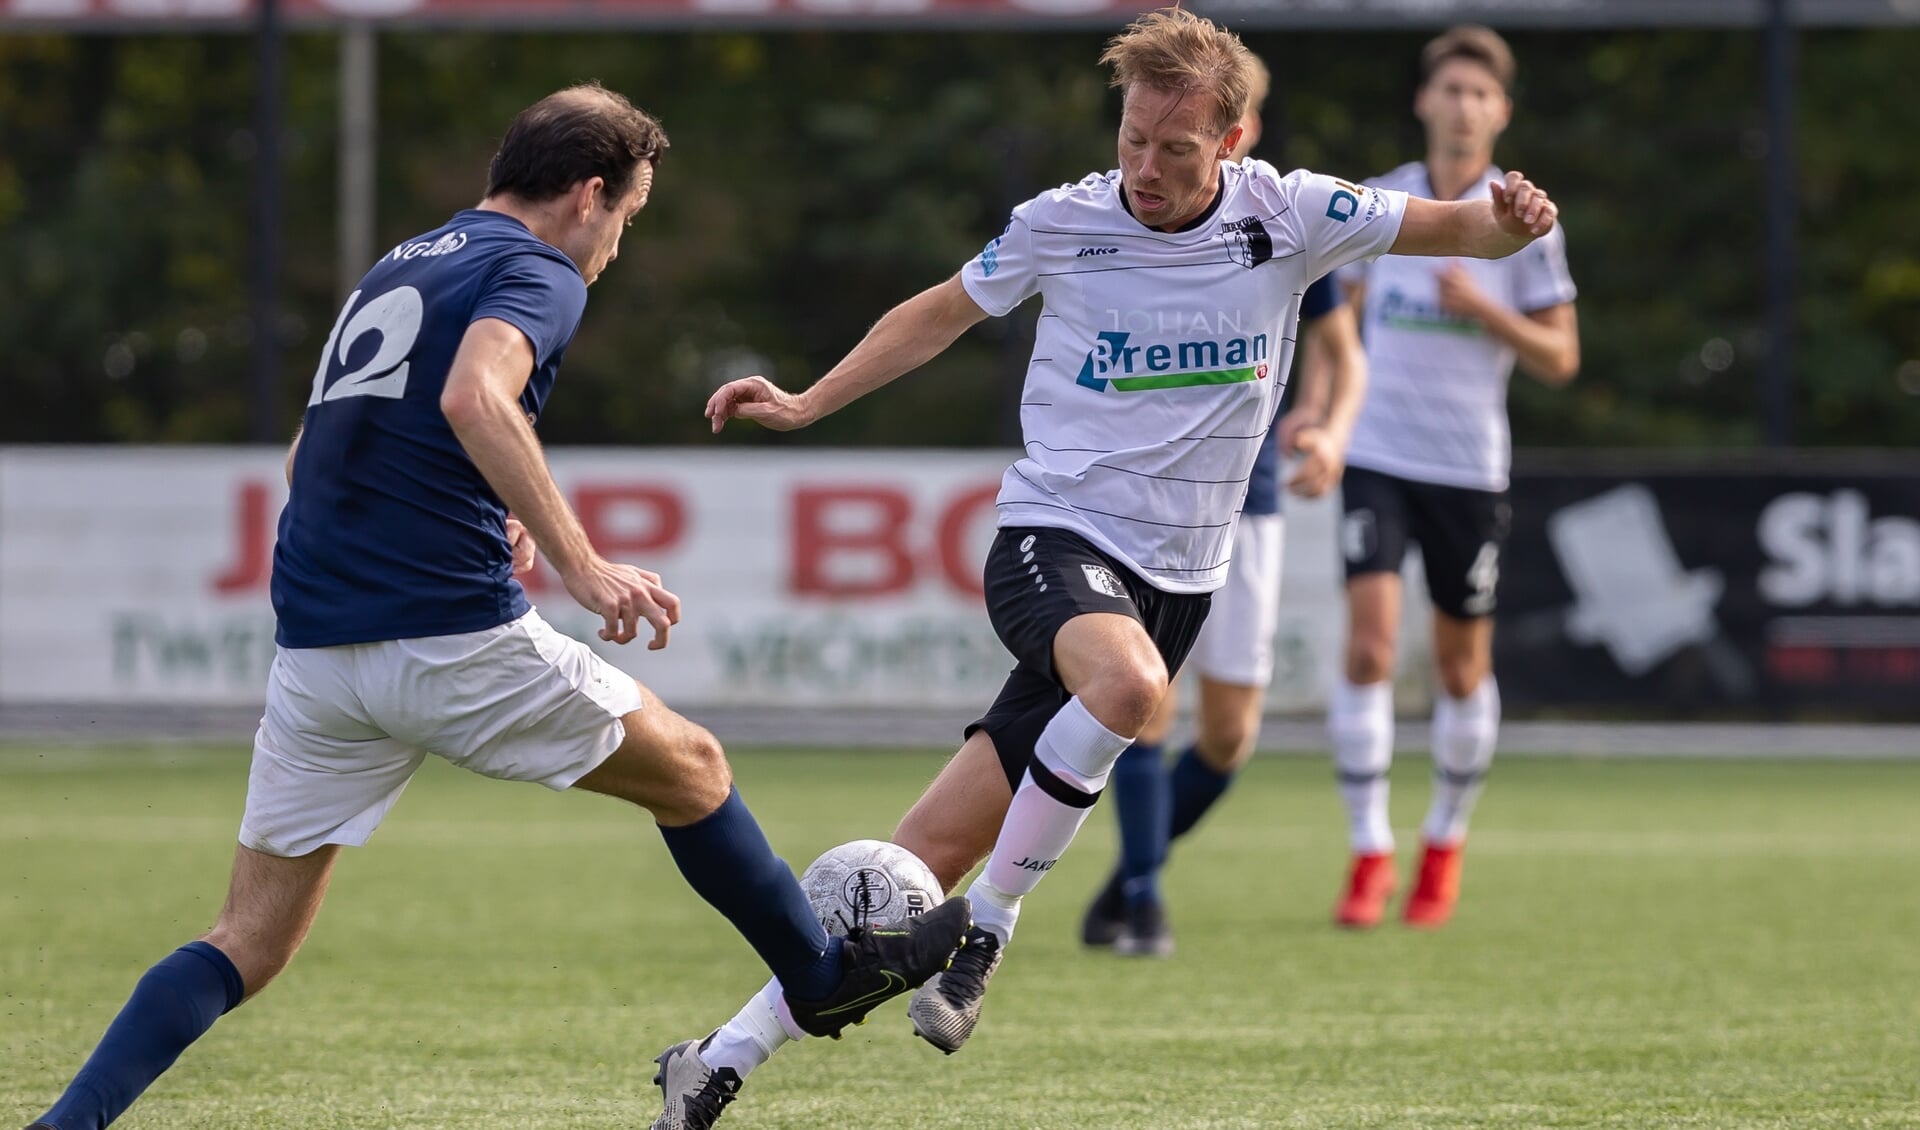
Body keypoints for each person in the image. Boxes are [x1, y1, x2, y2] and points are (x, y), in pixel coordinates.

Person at [654, 10, 1563, 1127]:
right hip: (1055, 542)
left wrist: (1511, 225)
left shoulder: (1294, 211)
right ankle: (990, 929)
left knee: (908, 871)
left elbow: (1459, 230)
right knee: (1134, 693)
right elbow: (939, 312)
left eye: (1174, 149)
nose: (1144, 167)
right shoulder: (1065, 221)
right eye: (1133, 137)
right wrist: (806, 400)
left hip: (1179, 584)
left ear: (1231, 141)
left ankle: (718, 1055)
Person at [20, 84, 968, 1130]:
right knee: (693, 768)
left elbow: (311, 454)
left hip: (319, 659)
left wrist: (473, 504)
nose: (614, 247)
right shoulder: (539, 268)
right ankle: (821, 973)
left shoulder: (405, 262)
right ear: (590, 193)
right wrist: (581, 561)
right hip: (443, 636)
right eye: (627, 219)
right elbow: (475, 396)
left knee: (246, 939)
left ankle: (65, 1124)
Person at [1079, 53, 1371, 957]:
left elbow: (1342, 353)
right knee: (1150, 706)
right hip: (1151, 503)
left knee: (1232, 736)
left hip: (1255, 502)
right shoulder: (1118, 223)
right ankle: (1147, 900)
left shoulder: (1285, 225)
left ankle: (1127, 878)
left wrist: (1326, 427)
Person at [1327, 25, 1580, 930]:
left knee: (1462, 668)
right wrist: (1320, 420)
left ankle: (1443, 841)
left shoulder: (1523, 217)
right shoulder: (1382, 204)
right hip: (1376, 457)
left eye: (1482, 93)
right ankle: (1369, 852)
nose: (1465, 106)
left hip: (1469, 469)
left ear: (1501, 111)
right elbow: (1337, 328)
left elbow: (1561, 358)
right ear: (1426, 102)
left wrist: (1485, 308)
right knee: (1368, 648)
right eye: (1451, 90)